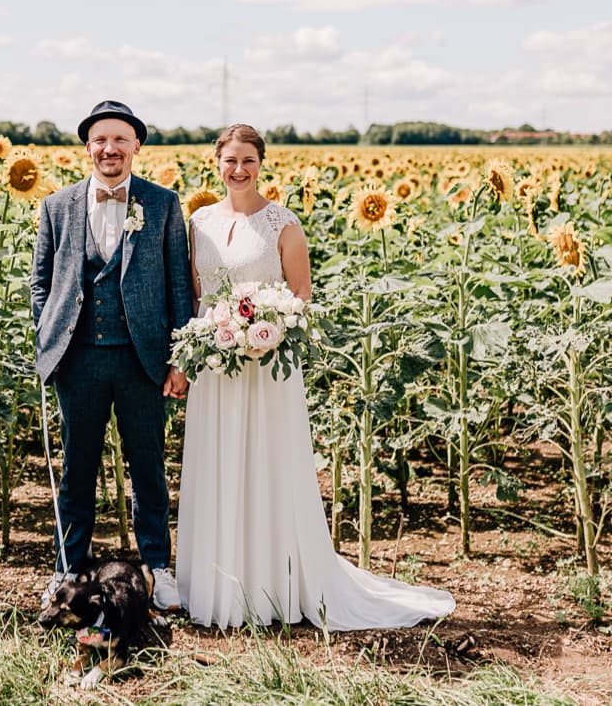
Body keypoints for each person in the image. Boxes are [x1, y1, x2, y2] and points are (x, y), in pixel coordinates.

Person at [176, 124, 455, 629]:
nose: (238, 170)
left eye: (248, 161)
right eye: (230, 160)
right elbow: (196, 296)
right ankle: (218, 585)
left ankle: (270, 587)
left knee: (267, 464)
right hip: (216, 367)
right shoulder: (197, 222)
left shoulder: (283, 223)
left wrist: (261, 328)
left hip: (267, 368)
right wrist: (211, 338)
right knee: (217, 461)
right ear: (215, 163)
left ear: (262, 165)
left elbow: (300, 298)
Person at [31, 100, 194, 611]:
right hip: (77, 361)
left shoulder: (163, 204)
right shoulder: (57, 206)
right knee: (76, 470)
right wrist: (50, 336)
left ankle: (158, 569)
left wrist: (179, 358)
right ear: (87, 147)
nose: (110, 149)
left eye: (120, 140)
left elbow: (178, 289)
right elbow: (41, 284)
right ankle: (68, 569)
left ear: (136, 147)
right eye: (101, 140)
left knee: (147, 468)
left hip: (141, 361)